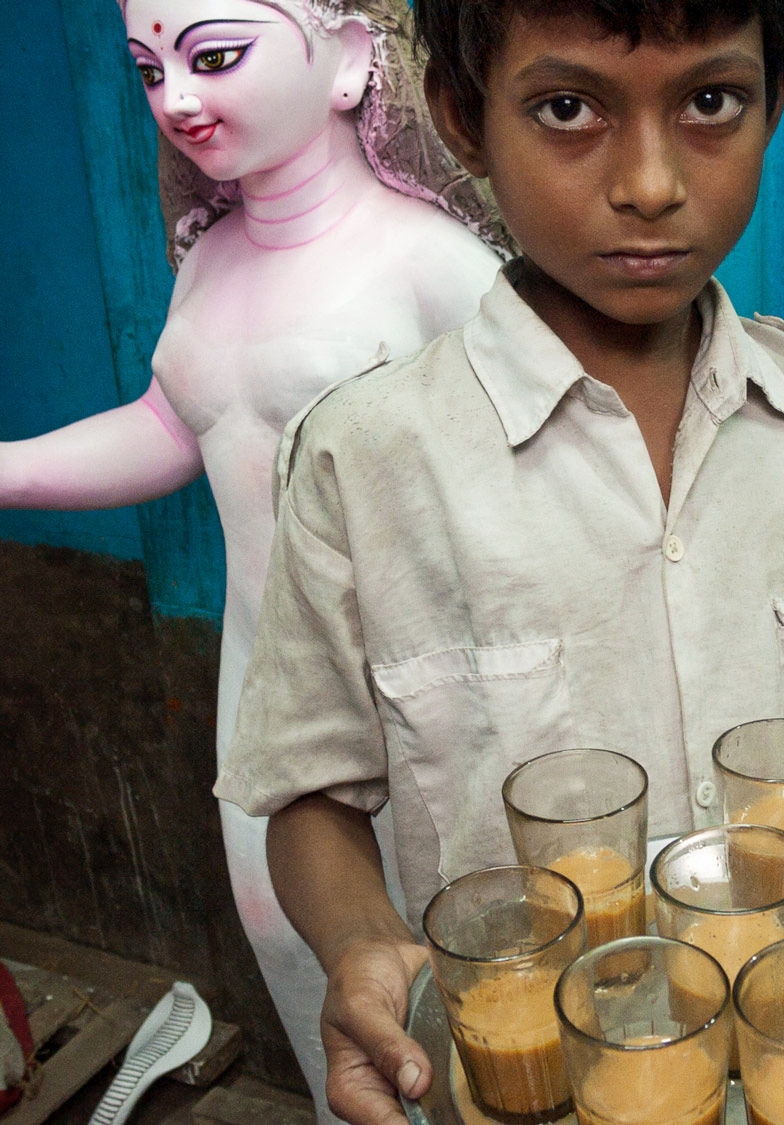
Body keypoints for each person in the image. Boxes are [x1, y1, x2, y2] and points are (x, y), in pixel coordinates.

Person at [216, 1, 784, 1121]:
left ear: (774, 102)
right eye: (567, 109)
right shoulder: (364, 462)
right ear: (464, 117)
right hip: (535, 1086)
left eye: (710, 102)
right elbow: (311, 794)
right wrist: (364, 941)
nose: (650, 182)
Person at [0, 2, 501, 1119]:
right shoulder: (209, 261)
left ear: (352, 56)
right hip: (263, 704)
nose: (176, 98)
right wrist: (9, 467)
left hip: (434, 709)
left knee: (465, 1000)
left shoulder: (432, 262)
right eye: (147, 70)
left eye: (214, 55)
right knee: (310, 980)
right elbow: (174, 429)